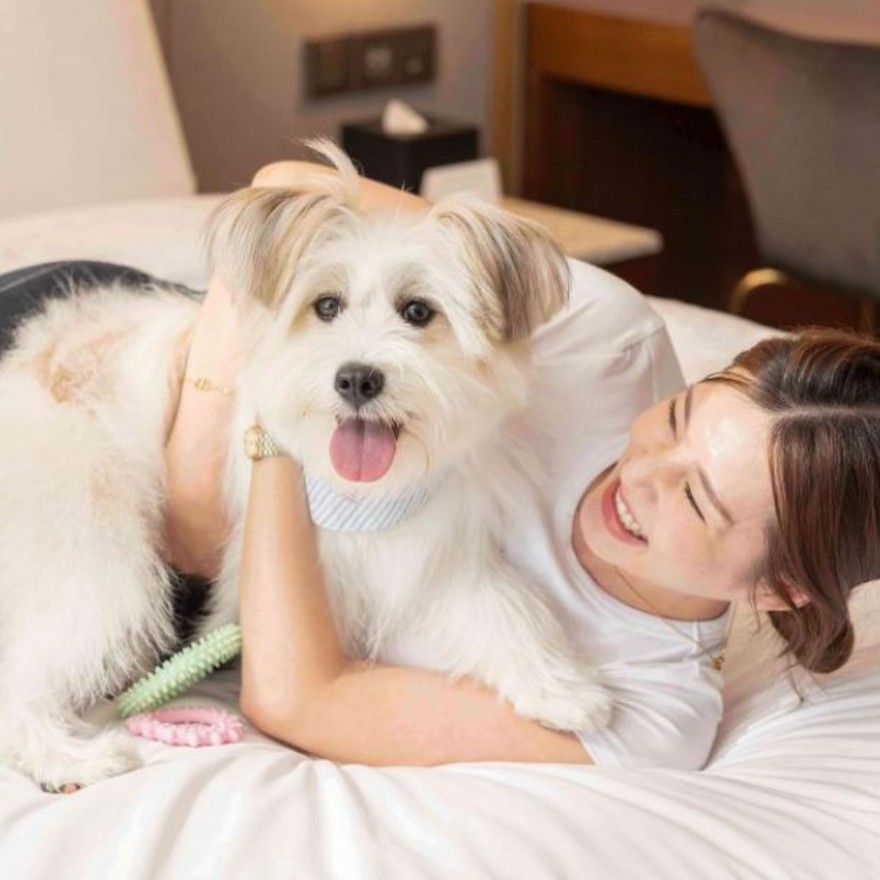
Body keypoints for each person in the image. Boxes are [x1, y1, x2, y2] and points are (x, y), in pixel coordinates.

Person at [160, 162, 878, 770]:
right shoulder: (611, 342)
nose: (641, 473)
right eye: (678, 417)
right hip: (141, 380)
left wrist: (276, 435)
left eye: (694, 498)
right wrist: (197, 465)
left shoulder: (648, 709)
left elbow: (299, 699)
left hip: (178, 602)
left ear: (781, 590)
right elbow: (287, 185)